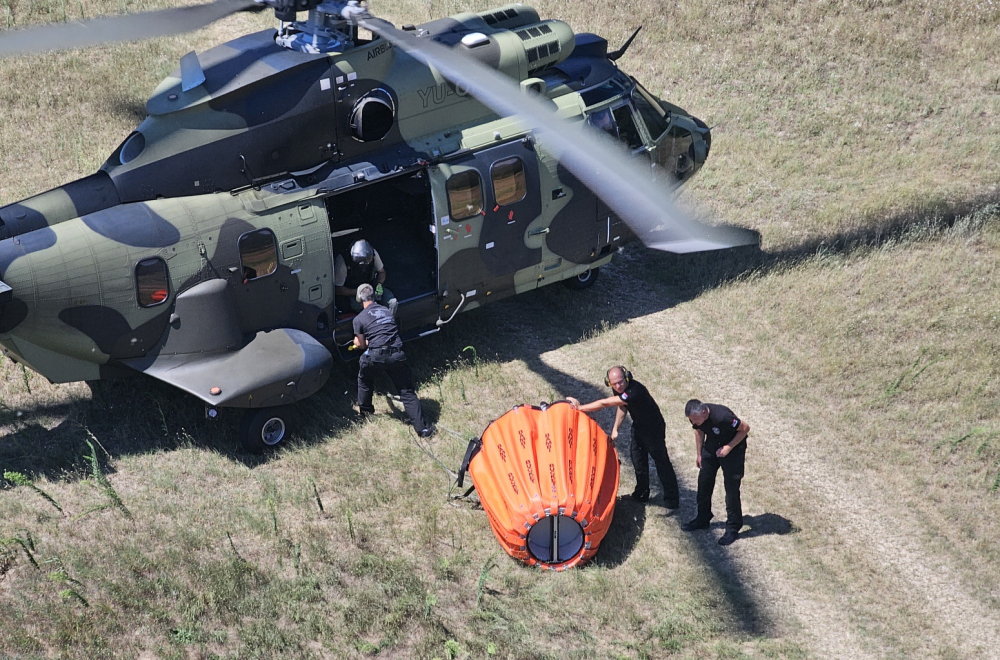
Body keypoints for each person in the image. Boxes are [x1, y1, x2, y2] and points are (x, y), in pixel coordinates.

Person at [567, 367, 679, 508]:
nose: (618, 386)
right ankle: (642, 493)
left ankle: (672, 498)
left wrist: (580, 408)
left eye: (620, 382)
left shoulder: (634, 391)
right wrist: (615, 429)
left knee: (661, 462)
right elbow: (622, 407)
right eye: (614, 384)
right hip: (638, 426)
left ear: (627, 378)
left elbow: (605, 403)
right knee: (638, 461)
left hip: (653, 429)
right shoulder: (620, 390)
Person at [352, 283, 431, 438]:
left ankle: (366, 412)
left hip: (376, 356)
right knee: (406, 391)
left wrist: (358, 343)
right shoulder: (387, 311)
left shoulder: (359, 319)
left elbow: (361, 345)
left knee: (365, 379)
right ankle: (422, 429)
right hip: (397, 354)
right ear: (374, 297)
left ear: (359, 299)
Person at [682, 399, 750, 546]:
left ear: (704, 412)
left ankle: (733, 527)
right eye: (691, 420)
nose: (693, 422)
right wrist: (699, 454)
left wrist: (728, 447)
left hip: (733, 449)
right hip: (712, 445)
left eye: (695, 419)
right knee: (704, 482)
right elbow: (698, 431)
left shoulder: (723, 416)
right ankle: (703, 518)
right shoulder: (697, 419)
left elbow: (745, 429)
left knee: (731, 489)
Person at [335, 239, 397, 316]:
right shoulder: (342, 261)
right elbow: (338, 289)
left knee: (392, 302)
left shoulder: (372, 254)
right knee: (367, 309)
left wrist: (379, 284)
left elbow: (381, 272)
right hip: (353, 292)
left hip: (371, 288)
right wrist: (360, 292)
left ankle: (387, 323)